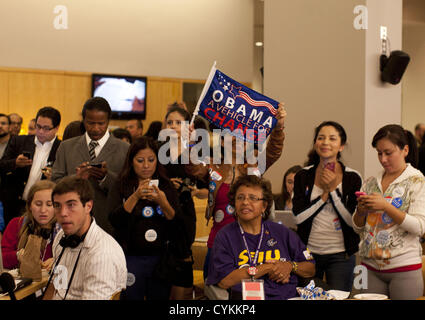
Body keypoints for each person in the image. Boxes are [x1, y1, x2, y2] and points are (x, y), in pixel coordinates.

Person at [186, 103, 287, 280]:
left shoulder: (254, 166)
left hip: (251, 246)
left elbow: (273, 152)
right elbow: (192, 168)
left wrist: (278, 128)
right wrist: (189, 143)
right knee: (216, 293)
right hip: (218, 242)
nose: (235, 139)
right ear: (221, 139)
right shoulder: (212, 166)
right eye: (229, 134)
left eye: (240, 134)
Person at [206, 175, 315, 300]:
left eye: (253, 198)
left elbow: (310, 268)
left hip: (289, 297)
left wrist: (290, 266)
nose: (245, 202)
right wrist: (266, 268)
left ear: (264, 206)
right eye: (240, 198)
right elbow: (224, 281)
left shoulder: (282, 232)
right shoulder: (225, 236)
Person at [352, 124, 425, 300]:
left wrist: (386, 207)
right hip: (369, 266)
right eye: (379, 153)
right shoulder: (371, 182)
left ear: (405, 150)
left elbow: (420, 227)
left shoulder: (416, 180)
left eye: (388, 153)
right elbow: (357, 228)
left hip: (404, 266)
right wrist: (361, 213)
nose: (383, 159)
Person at [292, 121, 362, 292]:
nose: (325, 143)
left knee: (338, 296)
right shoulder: (303, 176)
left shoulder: (352, 178)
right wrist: (323, 197)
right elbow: (297, 217)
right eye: (321, 138)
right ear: (315, 143)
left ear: (341, 146)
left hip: (341, 255)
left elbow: (353, 221)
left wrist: (332, 191)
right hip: (308, 253)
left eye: (332, 138)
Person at [108, 136, 180, 300]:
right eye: (140, 160)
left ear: (157, 160)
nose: (146, 166)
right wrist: (135, 196)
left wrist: (162, 201)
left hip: (161, 258)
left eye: (151, 160)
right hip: (130, 256)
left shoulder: (166, 185)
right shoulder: (122, 184)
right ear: (131, 161)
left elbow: (175, 221)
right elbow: (114, 220)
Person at [52, 97, 129, 236]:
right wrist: (76, 178)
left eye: (101, 123)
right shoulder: (66, 147)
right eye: (90, 123)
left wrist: (106, 177)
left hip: (108, 224)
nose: (95, 128)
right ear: (83, 120)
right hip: (71, 223)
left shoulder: (124, 149)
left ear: (108, 121)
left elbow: (128, 188)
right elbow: (54, 184)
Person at [42, 176, 127, 300]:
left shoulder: (102, 254)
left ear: (88, 206)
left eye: (71, 205)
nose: (63, 213)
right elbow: (57, 286)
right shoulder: (62, 237)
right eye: (57, 205)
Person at [162, 106, 208, 299]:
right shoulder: (159, 148)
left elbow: (205, 181)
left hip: (184, 209)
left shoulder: (195, 150)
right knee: (164, 258)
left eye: (178, 123)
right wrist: (167, 184)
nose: (173, 126)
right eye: (169, 122)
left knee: (182, 254)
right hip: (162, 208)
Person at [0, 107, 62, 226]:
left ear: (57, 128)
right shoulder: (19, 141)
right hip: (16, 205)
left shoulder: (62, 148)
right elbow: (1, 165)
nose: (41, 132)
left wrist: (53, 177)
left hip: (44, 210)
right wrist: (15, 163)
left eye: (46, 128)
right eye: (38, 127)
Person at [1, 180, 59, 270]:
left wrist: (59, 260)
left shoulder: (64, 230)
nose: (43, 210)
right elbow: (2, 258)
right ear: (30, 205)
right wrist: (18, 255)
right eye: (38, 204)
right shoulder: (16, 224)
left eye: (49, 204)